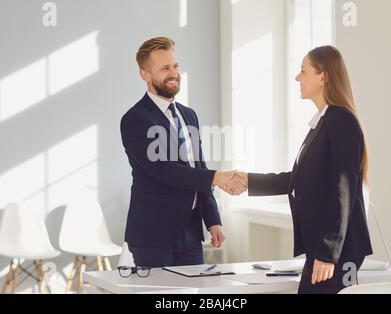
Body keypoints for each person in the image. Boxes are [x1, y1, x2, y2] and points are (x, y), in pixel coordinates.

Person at [231, 46, 373, 294]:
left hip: (338, 251)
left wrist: (328, 253)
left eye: (303, 71)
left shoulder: (341, 121)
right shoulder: (323, 122)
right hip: (324, 246)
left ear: (323, 77)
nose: (297, 78)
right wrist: (249, 181)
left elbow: (344, 189)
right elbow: (300, 179)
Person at [120, 37, 246, 268]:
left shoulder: (189, 115)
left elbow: (198, 168)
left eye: (176, 66)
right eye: (165, 68)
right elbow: (165, 171)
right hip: (153, 236)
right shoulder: (135, 119)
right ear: (145, 75)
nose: (174, 73)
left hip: (190, 233)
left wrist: (213, 221)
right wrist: (217, 177)